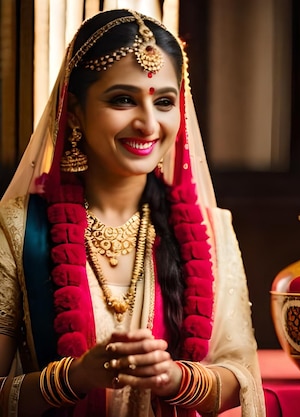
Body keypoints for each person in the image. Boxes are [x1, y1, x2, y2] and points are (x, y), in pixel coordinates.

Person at [0, 8, 266, 417]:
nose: (148, 123)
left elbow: (242, 378)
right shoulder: (17, 228)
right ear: (74, 111)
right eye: (123, 99)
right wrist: (75, 378)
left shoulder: (211, 230)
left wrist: (177, 380)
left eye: (163, 101)